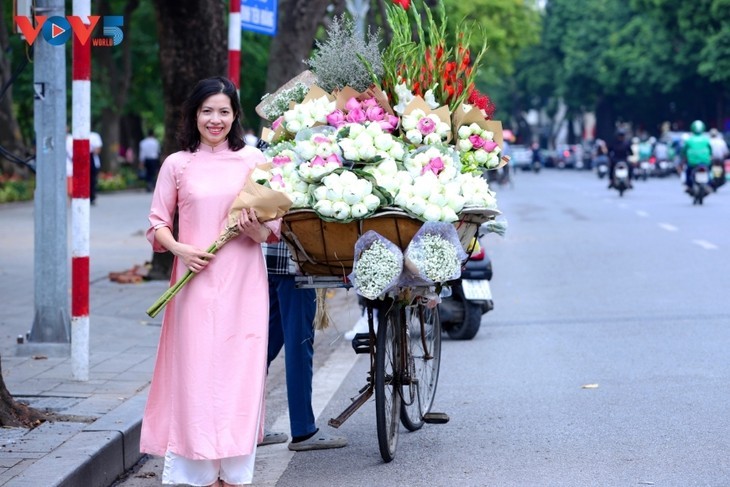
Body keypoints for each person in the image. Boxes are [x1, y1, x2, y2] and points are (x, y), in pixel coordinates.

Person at [140, 76, 279, 487]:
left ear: (235, 115)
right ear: (194, 114)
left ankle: (235, 473)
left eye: (223, 111)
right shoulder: (177, 164)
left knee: (241, 370)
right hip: (194, 282)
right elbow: (156, 225)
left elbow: (273, 229)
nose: (214, 119)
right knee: (195, 372)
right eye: (207, 111)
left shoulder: (254, 161)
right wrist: (183, 250)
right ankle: (195, 471)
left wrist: (253, 228)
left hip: (244, 282)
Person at [261, 241, 348, 451]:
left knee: (262, 347)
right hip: (295, 262)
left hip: (264, 259)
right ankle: (303, 430)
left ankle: (249, 428)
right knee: (298, 347)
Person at [682, 120, 712, 191]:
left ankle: (688, 185)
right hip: (705, 162)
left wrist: (684, 157)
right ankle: (709, 183)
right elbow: (710, 150)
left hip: (693, 162)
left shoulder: (689, 140)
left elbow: (684, 151)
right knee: (709, 171)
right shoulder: (706, 139)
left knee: (688, 172)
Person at [89, 130, 102, 205]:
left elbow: (98, 149)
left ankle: (92, 196)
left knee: (93, 179)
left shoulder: (94, 136)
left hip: (92, 158)